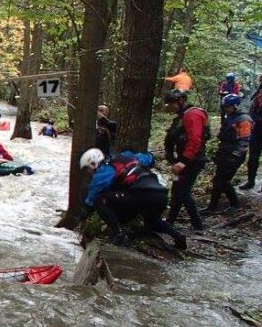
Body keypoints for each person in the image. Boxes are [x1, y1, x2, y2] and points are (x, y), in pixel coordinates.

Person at [80, 148, 187, 250]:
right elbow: (149, 158)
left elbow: (93, 195)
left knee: (100, 201)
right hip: (161, 195)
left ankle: (119, 234)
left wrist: (85, 211)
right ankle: (178, 236)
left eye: (87, 168)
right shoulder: (127, 157)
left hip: (142, 195)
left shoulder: (105, 170)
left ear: (94, 163)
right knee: (152, 222)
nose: (88, 172)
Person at [163, 89, 210, 231]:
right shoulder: (182, 116)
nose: (170, 107)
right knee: (177, 190)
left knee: (183, 192)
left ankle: (198, 226)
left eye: (171, 104)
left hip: (192, 160)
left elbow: (195, 140)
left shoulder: (193, 114)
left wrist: (183, 161)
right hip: (186, 158)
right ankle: (170, 221)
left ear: (180, 101)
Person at [204, 94, 253, 213]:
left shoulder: (244, 120)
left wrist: (236, 155)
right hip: (224, 152)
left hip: (234, 155)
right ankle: (212, 207)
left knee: (223, 181)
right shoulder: (230, 116)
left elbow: (244, 140)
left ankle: (235, 205)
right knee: (217, 181)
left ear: (235, 106)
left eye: (228, 106)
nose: (225, 109)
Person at [239, 73, 262, 189]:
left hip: (258, 126)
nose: (259, 78)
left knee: (254, 156)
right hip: (257, 129)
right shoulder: (259, 91)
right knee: (253, 157)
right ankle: (251, 181)